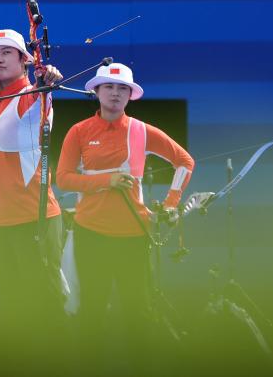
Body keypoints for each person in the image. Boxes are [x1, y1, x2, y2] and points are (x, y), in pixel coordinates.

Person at [56, 62, 194, 359]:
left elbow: (185, 161)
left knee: (138, 312)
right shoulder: (79, 131)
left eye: (123, 88)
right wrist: (108, 180)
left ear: (131, 95)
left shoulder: (141, 131)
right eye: (109, 87)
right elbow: (63, 179)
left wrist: (171, 204)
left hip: (134, 235)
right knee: (91, 310)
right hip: (90, 233)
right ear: (96, 91)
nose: (115, 93)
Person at [0, 28, 66, 330]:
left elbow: (40, 99)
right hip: (2, 220)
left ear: (24, 60)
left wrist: (45, 81)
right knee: (13, 307)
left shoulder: (29, 96)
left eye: (7, 53)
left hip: (34, 217)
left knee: (45, 308)